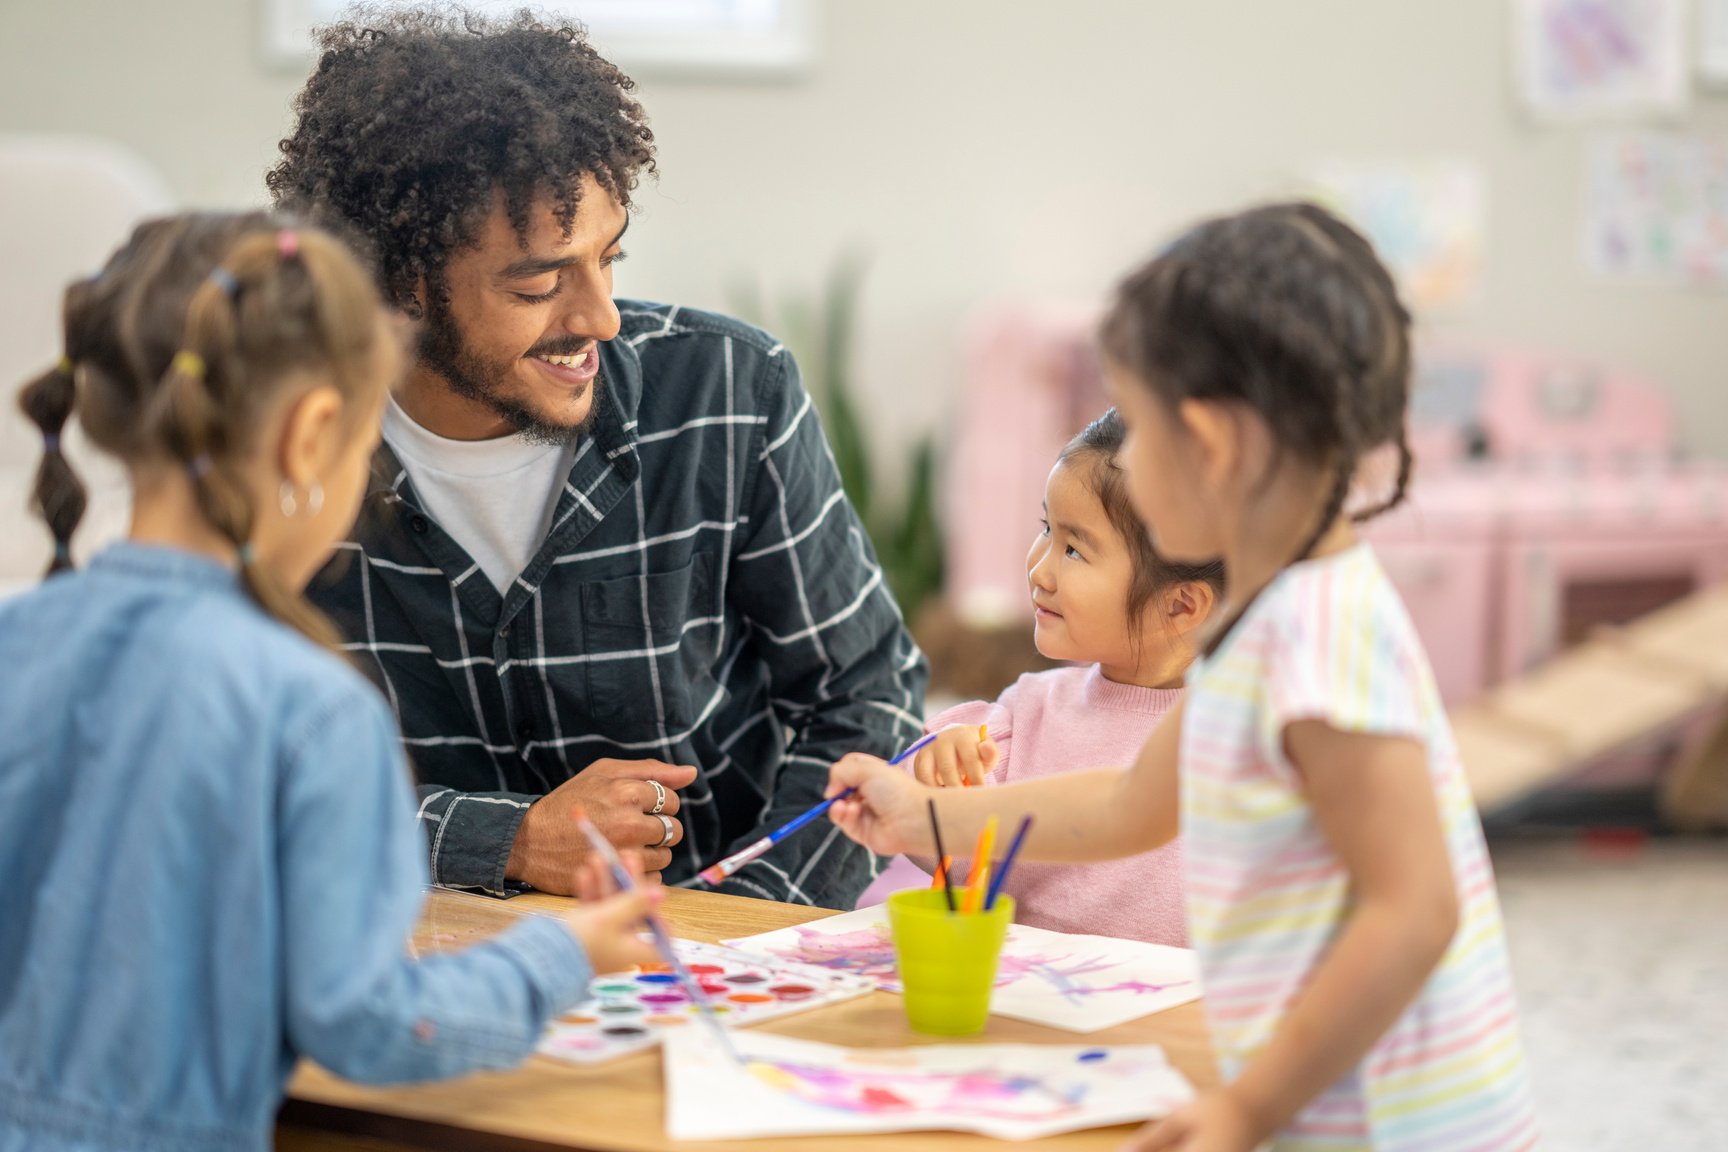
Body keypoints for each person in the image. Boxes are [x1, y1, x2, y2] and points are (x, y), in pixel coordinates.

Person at [826, 203, 1540, 1150]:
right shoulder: (1266, 612)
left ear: (1210, 445)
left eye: (1143, 432)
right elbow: (1131, 802)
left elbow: (1413, 910)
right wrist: (924, 819)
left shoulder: (1319, 634)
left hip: (1392, 1127)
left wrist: (1248, 1108)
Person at [0, 213, 665, 1152]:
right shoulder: (306, 706)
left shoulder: (14, 636)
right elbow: (371, 1022)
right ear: (312, 437)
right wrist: (564, 953)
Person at [264, 6, 926, 907]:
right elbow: (254, 776)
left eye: (610, 259)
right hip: (418, 961)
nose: (600, 319)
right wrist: (505, 840)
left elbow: (865, 692)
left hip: (725, 950)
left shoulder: (730, 392)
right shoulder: (284, 450)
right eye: (539, 283)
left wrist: (755, 922)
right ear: (401, 287)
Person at [859, 409, 1221, 946]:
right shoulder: (1026, 714)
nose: (1039, 569)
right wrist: (937, 769)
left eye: (1074, 549)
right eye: (1046, 529)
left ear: (1181, 605)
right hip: (1033, 1010)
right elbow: (936, 841)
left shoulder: (1238, 740)